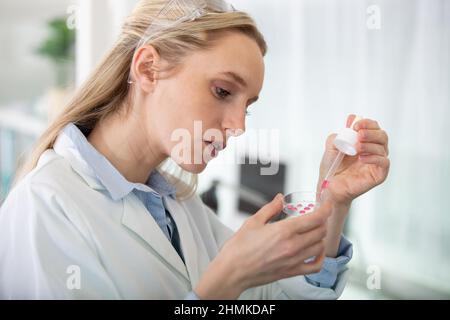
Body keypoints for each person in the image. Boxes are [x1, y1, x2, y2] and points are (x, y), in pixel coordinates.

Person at [0, 0, 390, 299]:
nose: (238, 126)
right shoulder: (45, 206)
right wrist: (222, 285)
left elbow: (276, 296)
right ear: (148, 69)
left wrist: (331, 202)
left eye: (247, 106)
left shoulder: (178, 207)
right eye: (222, 91)